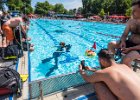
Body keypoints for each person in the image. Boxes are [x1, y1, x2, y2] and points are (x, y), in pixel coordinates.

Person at [108, 1, 140, 68]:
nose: (132, 13)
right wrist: (123, 41)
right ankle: (112, 66)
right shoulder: (131, 21)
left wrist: (130, 49)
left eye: (134, 11)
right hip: (128, 43)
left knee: (126, 59)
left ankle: (126, 76)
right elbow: (125, 34)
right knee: (111, 44)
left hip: (138, 48)